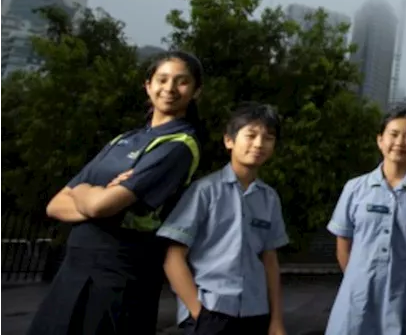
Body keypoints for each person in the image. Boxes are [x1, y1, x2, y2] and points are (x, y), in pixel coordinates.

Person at [28, 50, 205, 335]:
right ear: (148, 85)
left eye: (182, 82)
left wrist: (84, 191)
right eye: (162, 79)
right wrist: (95, 194)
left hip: (118, 274)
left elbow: (101, 207)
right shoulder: (124, 139)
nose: (170, 88)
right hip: (73, 268)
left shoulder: (180, 144)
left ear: (196, 91)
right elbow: (55, 204)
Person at [158, 102, 288, 335]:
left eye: (268, 137)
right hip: (212, 312)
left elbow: (270, 261)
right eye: (251, 135)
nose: (259, 144)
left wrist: (276, 321)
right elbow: (173, 256)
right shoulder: (205, 191)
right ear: (229, 140)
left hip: (256, 313)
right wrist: (197, 311)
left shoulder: (269, 198)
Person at [325, 108, 406, 335]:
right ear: (380, 140)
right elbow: (343, 244)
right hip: (358, 293)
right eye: (393, 134)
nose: (400, 142)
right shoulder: (355, 188)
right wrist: (358, 280)